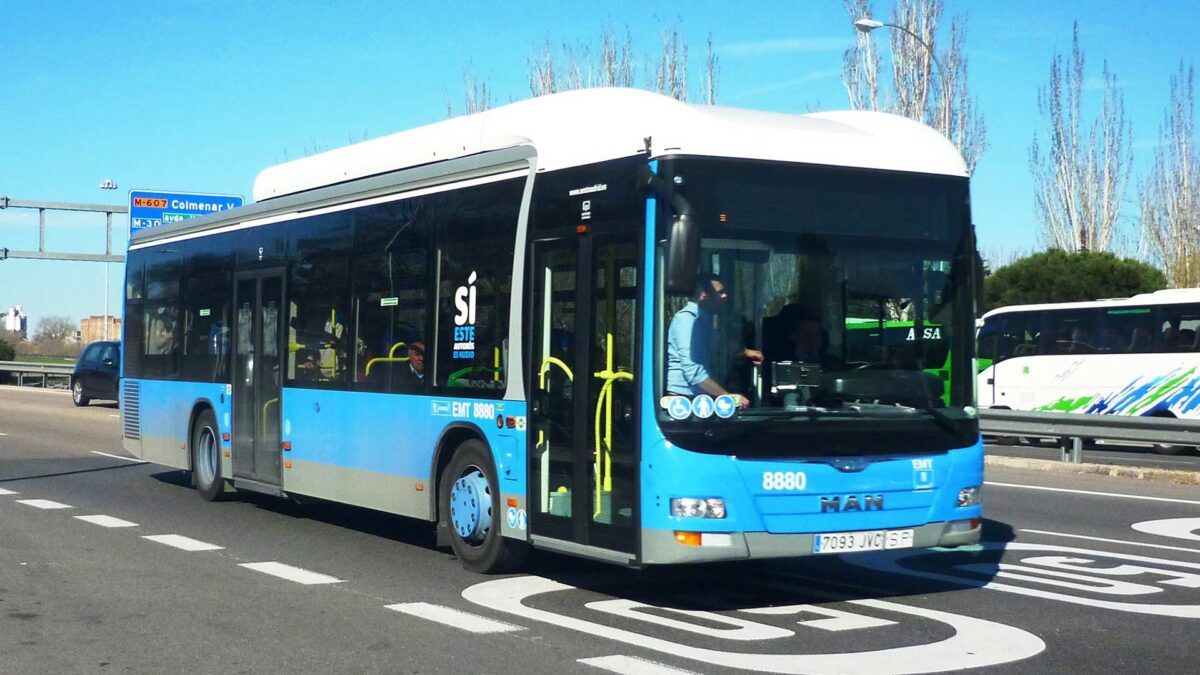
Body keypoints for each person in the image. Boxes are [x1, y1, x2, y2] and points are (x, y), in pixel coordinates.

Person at [666, 273, 761, 408]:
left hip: (699, 399)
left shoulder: (705, 321)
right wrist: (727, 398)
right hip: (684, 403)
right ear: (704, 295)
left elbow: (716, 353)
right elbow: (693, 371)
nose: (725, 296)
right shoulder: (687, 320)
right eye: (720, 292)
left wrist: (743, 353)